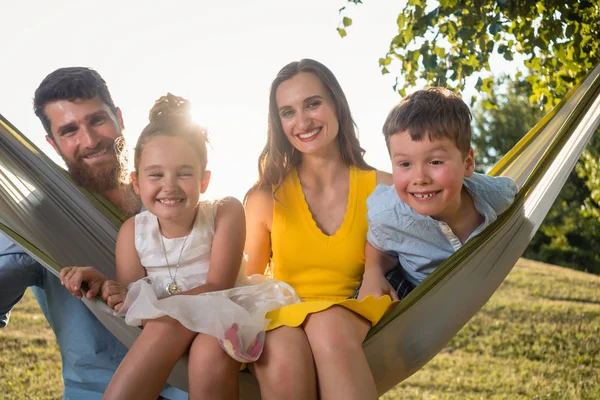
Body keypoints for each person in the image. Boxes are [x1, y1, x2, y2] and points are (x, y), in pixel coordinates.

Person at [60, 93, 299, 400]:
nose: (169, 185)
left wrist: (154, 307)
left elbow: (216, 287)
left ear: (204, 181)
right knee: (164, 326)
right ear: (136, 182)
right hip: (168, 331)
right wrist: (106, 285)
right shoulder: (133, 232)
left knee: (206, 347)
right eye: (156, 175)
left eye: (184, 173)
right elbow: (132, 298)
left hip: (224, 320)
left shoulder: (225, 212)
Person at [0, 68, 185, 398]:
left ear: (119, 119)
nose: (89, 140)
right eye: (69, 130)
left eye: (97, 120)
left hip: (188, 387)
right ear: (52, 144)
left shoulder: (172, 202)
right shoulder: (37, 221)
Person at [244, 59, 398, 400]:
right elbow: (247, 285)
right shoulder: (265, 198)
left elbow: (419, 247)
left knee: (326, 325)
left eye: (313, 104)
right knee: (282, 347)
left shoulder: (384, 189)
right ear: (278, 123)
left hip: (354, 316)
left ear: (336, 105)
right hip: (284, 321)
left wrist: (376, 267)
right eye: (288, 112)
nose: (303, 121)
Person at [357, 87, 518, 301]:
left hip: (452, 300)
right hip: (406, 286)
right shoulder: (388, 213)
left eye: (435, 162)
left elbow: (519, 204)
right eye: (405, 164)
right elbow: (377, 242)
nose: (420, 177)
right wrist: (372, 273)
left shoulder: (498, 196)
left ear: (467, 163)